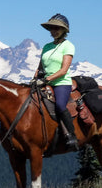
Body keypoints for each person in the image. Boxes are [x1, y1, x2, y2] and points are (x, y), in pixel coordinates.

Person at [33, 13, 78, 151]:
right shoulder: (46, 46)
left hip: (61, 83)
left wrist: (47, 79)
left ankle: (71, 135)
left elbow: (64, 70)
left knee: (60, 106)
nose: (54, 31)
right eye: (52, 28)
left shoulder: (68, 46)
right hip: (44, 82)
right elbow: (40, 67)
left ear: (64, 30)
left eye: (57, 28)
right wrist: (35, 79)